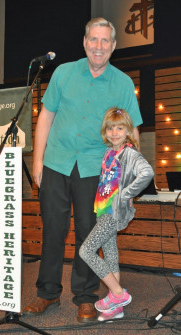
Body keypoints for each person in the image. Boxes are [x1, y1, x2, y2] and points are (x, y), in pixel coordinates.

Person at [24, 17, 143, 322]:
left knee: (89, 235)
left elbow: (132, 133)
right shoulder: (63, 73)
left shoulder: (122, 82)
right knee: (52, 229)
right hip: (57, 162)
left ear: (113, 46)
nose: (99, 46)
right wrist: (37, 161)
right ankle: (47, 293)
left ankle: (86, 297)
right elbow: (46, 118)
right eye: (94, 39)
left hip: (98, 170)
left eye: (105, 41)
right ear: (84, 42)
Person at [79, 107, 154, 322]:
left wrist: (127, 193)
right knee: (110, 253)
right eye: (111, 128)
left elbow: (147, 172)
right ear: (106, 130)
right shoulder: (110, 152)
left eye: (120, 128)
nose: (114, 133)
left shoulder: (130, 153)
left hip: (114, 210)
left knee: (86, 251)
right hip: (103, 208)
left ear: (127, 130)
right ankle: (116, 306)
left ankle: (120, 295)